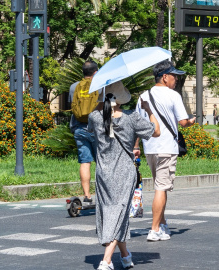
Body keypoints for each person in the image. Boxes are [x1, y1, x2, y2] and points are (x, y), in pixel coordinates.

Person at [88, 81, 160, 270]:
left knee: (112, 212)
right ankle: (107, 260)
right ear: (121, 99)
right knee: (119, 212)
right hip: (124, 172)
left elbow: (93, 123)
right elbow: (157, 131)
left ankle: (126, 256)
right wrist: (149, 110)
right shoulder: (131, 118)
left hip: (103, 172)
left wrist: (101, 98)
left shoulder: (95, 117)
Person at [135, 60, 196, 241]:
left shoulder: (143, 96)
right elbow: (183, 122)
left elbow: (137, 125)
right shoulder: (173, 95)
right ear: (164, 77)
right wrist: (191, 120)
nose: (176, 79)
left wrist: (136, 146)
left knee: (160, 187)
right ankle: (154, 229)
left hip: (150, 148)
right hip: (167, 148)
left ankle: (162, 224)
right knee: (161, 188)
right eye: (174, 76)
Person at [70, 60, 99, 203]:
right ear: (95, 72)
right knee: (102, 162)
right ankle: (102, 194)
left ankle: (87, 195)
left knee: (85, 162)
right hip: (97, 129)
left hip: (79, 128)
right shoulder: (100, 86)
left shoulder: (74, 87)